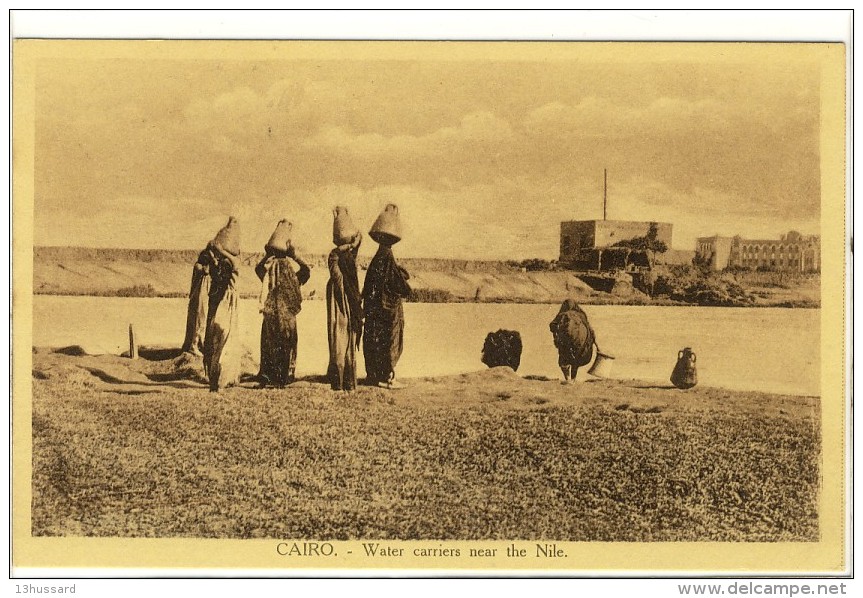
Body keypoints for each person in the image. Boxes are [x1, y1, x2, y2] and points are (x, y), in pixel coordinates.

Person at [255, 219, 311, 388]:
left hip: (271, 315)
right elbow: (306, 271)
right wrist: (296, 256)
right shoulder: (290, 270)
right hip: (287, 317)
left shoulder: (270, 268)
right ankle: (284, 376)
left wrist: (266, 255)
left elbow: (258, 269)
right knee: (287, 343)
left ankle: (267, 375)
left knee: (269, 343)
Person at [362, 204, 412, 389]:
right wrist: (406, 285)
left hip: (375, 308)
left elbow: (370, 285)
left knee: (375, 340)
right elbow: (399, 284)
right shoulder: (387, 256)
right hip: (387, 310)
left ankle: (375, 375)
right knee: (390, 340)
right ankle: (387, 376)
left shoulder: (378, 257)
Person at [326, 207, 364, 391]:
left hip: (340, 306)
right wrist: (354, 242)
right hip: (348, 305)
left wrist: (352, 243)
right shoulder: (345, 268)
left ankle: (340, 380)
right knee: (346, 340)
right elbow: (338, 253)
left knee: (339, 340)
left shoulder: (338, 272)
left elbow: (334, 254)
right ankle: (346, 380)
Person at [203, 217, 242, 392]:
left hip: (227, 304)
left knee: (223, 338)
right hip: (218, 303)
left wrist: (220, 251)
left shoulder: (230, 263)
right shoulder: (219, 265)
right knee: (215, 339)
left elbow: (235, 264)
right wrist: (214, 253)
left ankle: (220, 379)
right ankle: (215, 380)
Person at [181, 242, 217, 356]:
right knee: (199, 319)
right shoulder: (200, 267)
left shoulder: (205, 268)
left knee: (202, 319)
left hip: (202, 297)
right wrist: (213, 259)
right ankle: (194, 345)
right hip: (198, 297)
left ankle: (199, 344)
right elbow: (206, 271)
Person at [549, 298, 597, 382]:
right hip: (579, 344)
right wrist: (596, 344)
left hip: (564, 343)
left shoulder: (562, 314)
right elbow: (590, 330)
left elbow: (552, 326)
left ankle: (567, 379)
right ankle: (573, 379)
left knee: (564, 360)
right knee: (575, 362)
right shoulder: (581, 314)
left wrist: (556, 336)